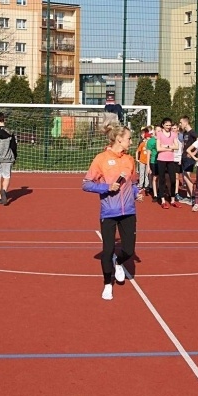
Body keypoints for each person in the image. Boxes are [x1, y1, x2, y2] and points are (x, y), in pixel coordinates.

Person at [82, 119, 138, 301]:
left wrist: (136, 193)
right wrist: (107, 187)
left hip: (129, 211)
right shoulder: (101, 159)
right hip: (109, 212)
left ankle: (119, 261)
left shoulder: (130, 160)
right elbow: (87, 184)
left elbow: (133, 182)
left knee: (129, 250)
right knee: (107, 250)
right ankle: (107, 284)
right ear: (119, 139)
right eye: (129, 138)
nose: (131, 141)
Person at [155, 118, 180, 209]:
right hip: (161, 159)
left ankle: (172, 199)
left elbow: (177, 147)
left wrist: (166, 146)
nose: (168, 127)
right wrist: (169, 148)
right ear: (163, 125)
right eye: (167, 125)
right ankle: (162, 200)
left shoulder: (173, 134)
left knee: (173, 180)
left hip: (171, 159)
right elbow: (158, 148)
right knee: (161, 179)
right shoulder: (159, 134)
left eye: (170, 125)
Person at [178, 116, 198, 204]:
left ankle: (193, 197)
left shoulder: (192, 132)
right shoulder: (185, 133)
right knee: (185, 177)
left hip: (189, 158)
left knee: (187, 176)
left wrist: (194, 152)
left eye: (181, 122)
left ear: (186, 123)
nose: (180, 124)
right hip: (184, 157)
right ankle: (189, 196)